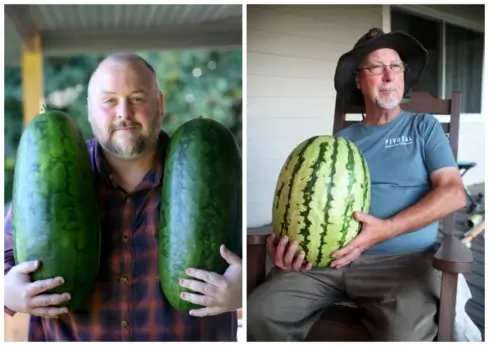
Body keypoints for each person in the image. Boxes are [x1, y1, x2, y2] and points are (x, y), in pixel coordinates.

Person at [4, 53, 242, 341]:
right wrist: (7, 291)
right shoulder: (52, 169)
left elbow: (253, 249)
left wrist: (245, 291)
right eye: (109, 101)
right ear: (90, 110)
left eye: (138, 98)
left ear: (160, 105)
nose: (124, 112)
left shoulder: (208, 169)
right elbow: (8, 253)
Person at [247, 28, 466, 341]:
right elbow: (307, 207)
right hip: (328, 264)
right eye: (377, 67)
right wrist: (287, 246)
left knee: (403, 334)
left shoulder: (423, 127)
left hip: (402, 264)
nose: (389, 76)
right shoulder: (337, 143)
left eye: (396, 66)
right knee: (259, 314)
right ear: (358, 80)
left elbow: (454, 193)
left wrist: (386, 229)